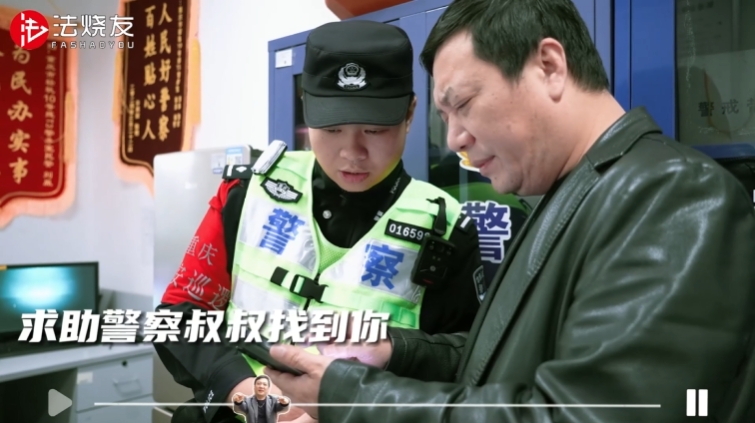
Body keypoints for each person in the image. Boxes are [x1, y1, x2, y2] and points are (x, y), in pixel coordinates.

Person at [263, 0, 755, 422]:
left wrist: (352, 398)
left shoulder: (672, 195)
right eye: (444, 117)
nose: (454, 138)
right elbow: (504, 358)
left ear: (549, 66)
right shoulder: (574, 193)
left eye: (463, 104)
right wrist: (396, 351)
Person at [154, 19, 485, 423]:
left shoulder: (445, 228)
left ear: (410, 113)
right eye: (331, 128)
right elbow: (177, 316)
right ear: (306, 109)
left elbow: (468, 355)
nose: (352, 152)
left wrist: (387, 359)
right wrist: (246, 392)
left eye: (374, 129)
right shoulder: (249, 190)